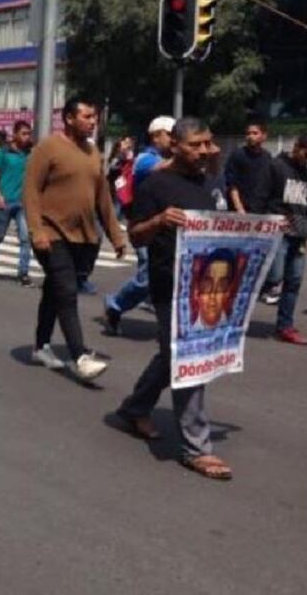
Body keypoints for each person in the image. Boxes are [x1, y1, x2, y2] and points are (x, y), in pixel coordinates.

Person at [114, 116, 233, 481]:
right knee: (189, 359)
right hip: (170, 286)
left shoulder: (212, 183)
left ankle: (135, 408)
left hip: (208, 285)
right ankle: (196, 447)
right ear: (176, 146)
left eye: (208, 143)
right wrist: (160, 221)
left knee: (172, 354)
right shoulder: (155, 186)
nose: (203, 151)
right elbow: (135, 236)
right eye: (195, 144)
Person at [22, 98, 126, 380]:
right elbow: (30, 191)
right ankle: (80, 356)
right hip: (50, 232)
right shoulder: (48, 148)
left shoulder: (93, 153)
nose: (93, 122)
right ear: (69, 118)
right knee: (67, 291)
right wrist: (36, 230)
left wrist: (116, 236)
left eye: (95, 117)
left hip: (81, 236)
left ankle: (41, 346)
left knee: (55, 290)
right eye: (87, 116)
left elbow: (103, 198)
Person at [104, 116, 176, 336]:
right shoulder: (146, 159)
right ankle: (115, 305)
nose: (174, 140)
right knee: (147, 278)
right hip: (144, 227)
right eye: (170, 135)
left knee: (168, 276)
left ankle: (170, 325)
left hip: (165, 226)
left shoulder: (167, 157)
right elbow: (165, 167)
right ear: (156, 136)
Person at [267, 132, 307, 345]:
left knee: (294, 281)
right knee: (273, 276)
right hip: (278, 232)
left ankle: (285, 326)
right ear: (297, 146)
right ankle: (237, 306)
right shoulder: (276, 166)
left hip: (298, 235)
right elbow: (263, 196)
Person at [225, 118, 280, 303]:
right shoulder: (238, 156)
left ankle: (258, 288)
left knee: (259, 254)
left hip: (261, 213)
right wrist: (240, 209)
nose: (250, 136)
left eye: (255, 133)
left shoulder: (267, 157)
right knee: (238, 253)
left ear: (264, 136)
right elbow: (232, 185)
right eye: (248, 133)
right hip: (241, 213)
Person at [0, 123, 34, 285]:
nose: (27, 137)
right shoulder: (3, 152)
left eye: (29, 134)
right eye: (24, 134)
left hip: (23, 202)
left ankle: (23, 273)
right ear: (15, 134)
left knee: (25, 238)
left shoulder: (30, 153)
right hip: (5, 201)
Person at [189, 249, 238, 331]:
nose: (213, 295)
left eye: (222, 285)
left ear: (228, 291)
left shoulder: (232, 325)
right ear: (198, 287)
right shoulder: (189, 323)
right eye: (208, 284)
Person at [106, 136, 136, 220]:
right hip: (116, 184)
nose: (128, 144)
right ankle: (113, 222)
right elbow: (113, 168)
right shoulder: (118, 157)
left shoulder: (128, 154)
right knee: (117, 202)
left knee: (119, 202)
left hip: (122, 183)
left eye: (129, 142)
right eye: (125, 142)